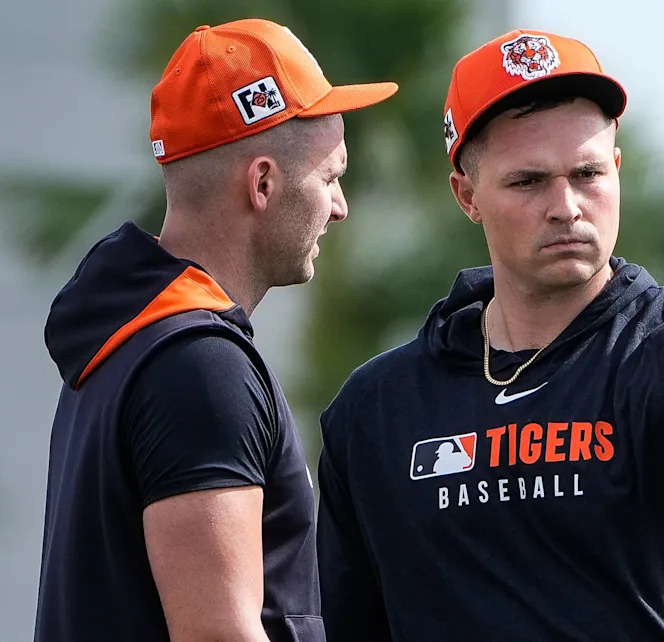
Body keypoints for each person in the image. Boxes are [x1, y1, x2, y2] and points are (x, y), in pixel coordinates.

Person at [315, 29, 664, 641]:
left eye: (588, 173)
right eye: (527, 182)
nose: (567, 206)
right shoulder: (375, 411)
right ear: (467, 195)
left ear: (617, 170)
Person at [34, 18, 396, 642]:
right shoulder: (199, 366)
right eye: (331, 178)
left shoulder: (128, 344)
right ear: (262, 183)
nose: (340, 206)